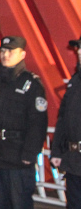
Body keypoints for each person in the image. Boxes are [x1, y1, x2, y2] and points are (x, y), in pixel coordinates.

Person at [0, 35, 49, 209]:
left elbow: (38, 122)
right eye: (3, 51)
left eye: (11, 51)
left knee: (19, 202)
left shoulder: (31, 84)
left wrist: (30, 153)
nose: (5, 55)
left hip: (18, 154)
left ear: (22, 54)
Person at [50, 35, 81, 208]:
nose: (80, 52)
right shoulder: (74, 82)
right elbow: (63, 119)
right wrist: (57, 151)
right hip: (74, 161)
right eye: (79, 48)